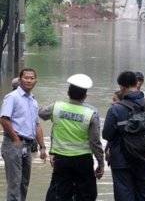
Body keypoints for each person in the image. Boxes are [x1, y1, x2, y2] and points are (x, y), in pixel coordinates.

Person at [38, 73, 104, 201]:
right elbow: (95, 142)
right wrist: (100, 164)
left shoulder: (56, 107)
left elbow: (41, 113)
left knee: (62, 194)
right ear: (85, 95)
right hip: (83, 160)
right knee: (86, 195)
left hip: (61, 159)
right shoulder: (91, 112)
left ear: (68, 92)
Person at [102, 71, 145, 201]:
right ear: (137, 83)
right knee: (144, 196)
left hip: (121, 162)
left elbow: (107, 134)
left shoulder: (116, 109)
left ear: (122, 87)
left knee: (124, 196)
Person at [0, 68, 47, 201]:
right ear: (20, 80)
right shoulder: (12, 97)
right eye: (26, 77)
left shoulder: (33, 101)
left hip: (28, 145)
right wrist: (15, 138)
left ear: (35, 81)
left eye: (32, 78)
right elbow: (3, 119)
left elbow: (37, 125)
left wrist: (42, 147)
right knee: (14, 184)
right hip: (13, 143)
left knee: (24, 183)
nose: (29, 80)